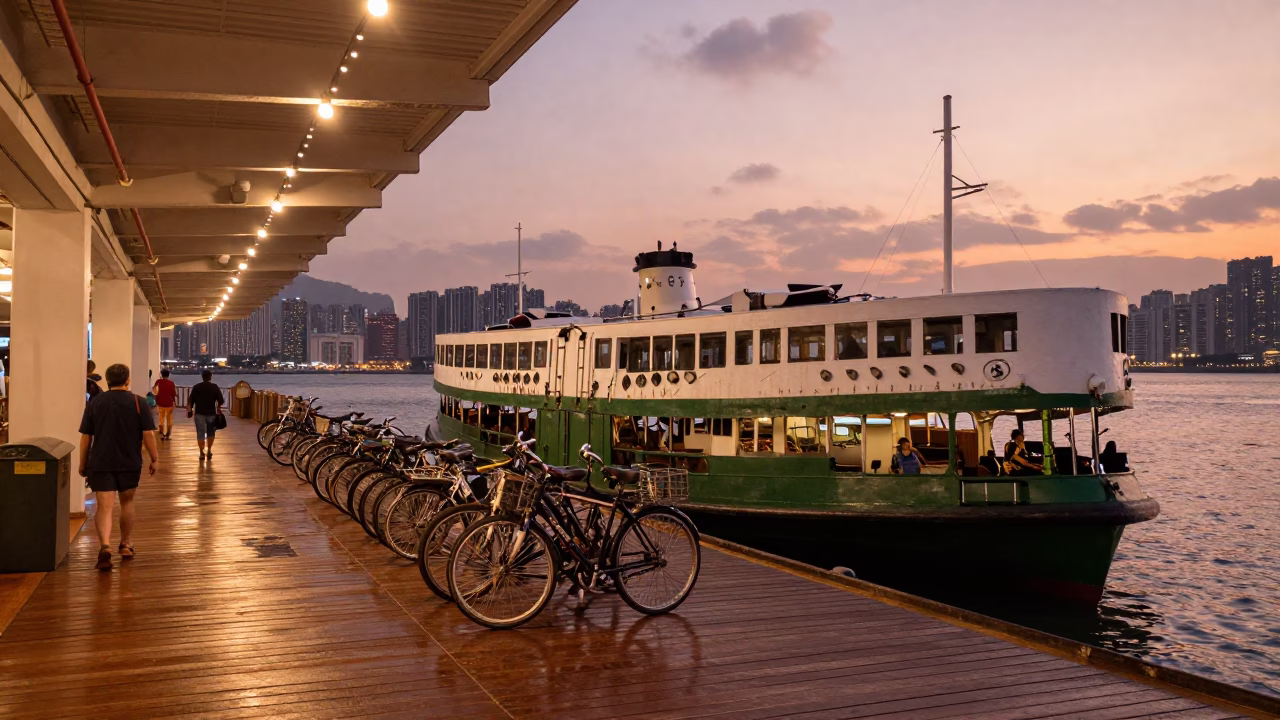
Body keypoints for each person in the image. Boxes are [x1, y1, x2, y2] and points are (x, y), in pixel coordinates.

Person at [78, 363, 158, 571]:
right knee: (127, 502)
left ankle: (105, 545)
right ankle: (125, 543)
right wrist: (154, 458)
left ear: (106, 380)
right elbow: (148, 434)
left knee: (104, 506)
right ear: (127, 380)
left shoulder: (96, 402)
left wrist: (82, 462)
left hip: (100, 461)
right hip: (129, 461)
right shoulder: (138, 402)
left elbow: (87, 437)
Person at [186, 370, 224, 460]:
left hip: (199, 413)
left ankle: (201, 452)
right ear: (210, 377)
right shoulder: (214, 387)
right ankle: (209, 450)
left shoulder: (196, 387)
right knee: (211, 433)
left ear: (202, 377)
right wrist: (218, 406)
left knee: (200, 433)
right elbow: (221, 400)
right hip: (211, 414)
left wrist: (190, 411)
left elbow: (191, 400)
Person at [152, 368, 177, 440]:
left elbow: (154, 391)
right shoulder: (171, 383)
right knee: (169, 419)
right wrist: (174, 402)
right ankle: (168, 435)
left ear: (161, 375)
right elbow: (174, 394)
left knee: (161, 418)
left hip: (160, 403)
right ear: (168, 375)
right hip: (169, 403)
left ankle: (162, 434)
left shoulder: (158, 382)